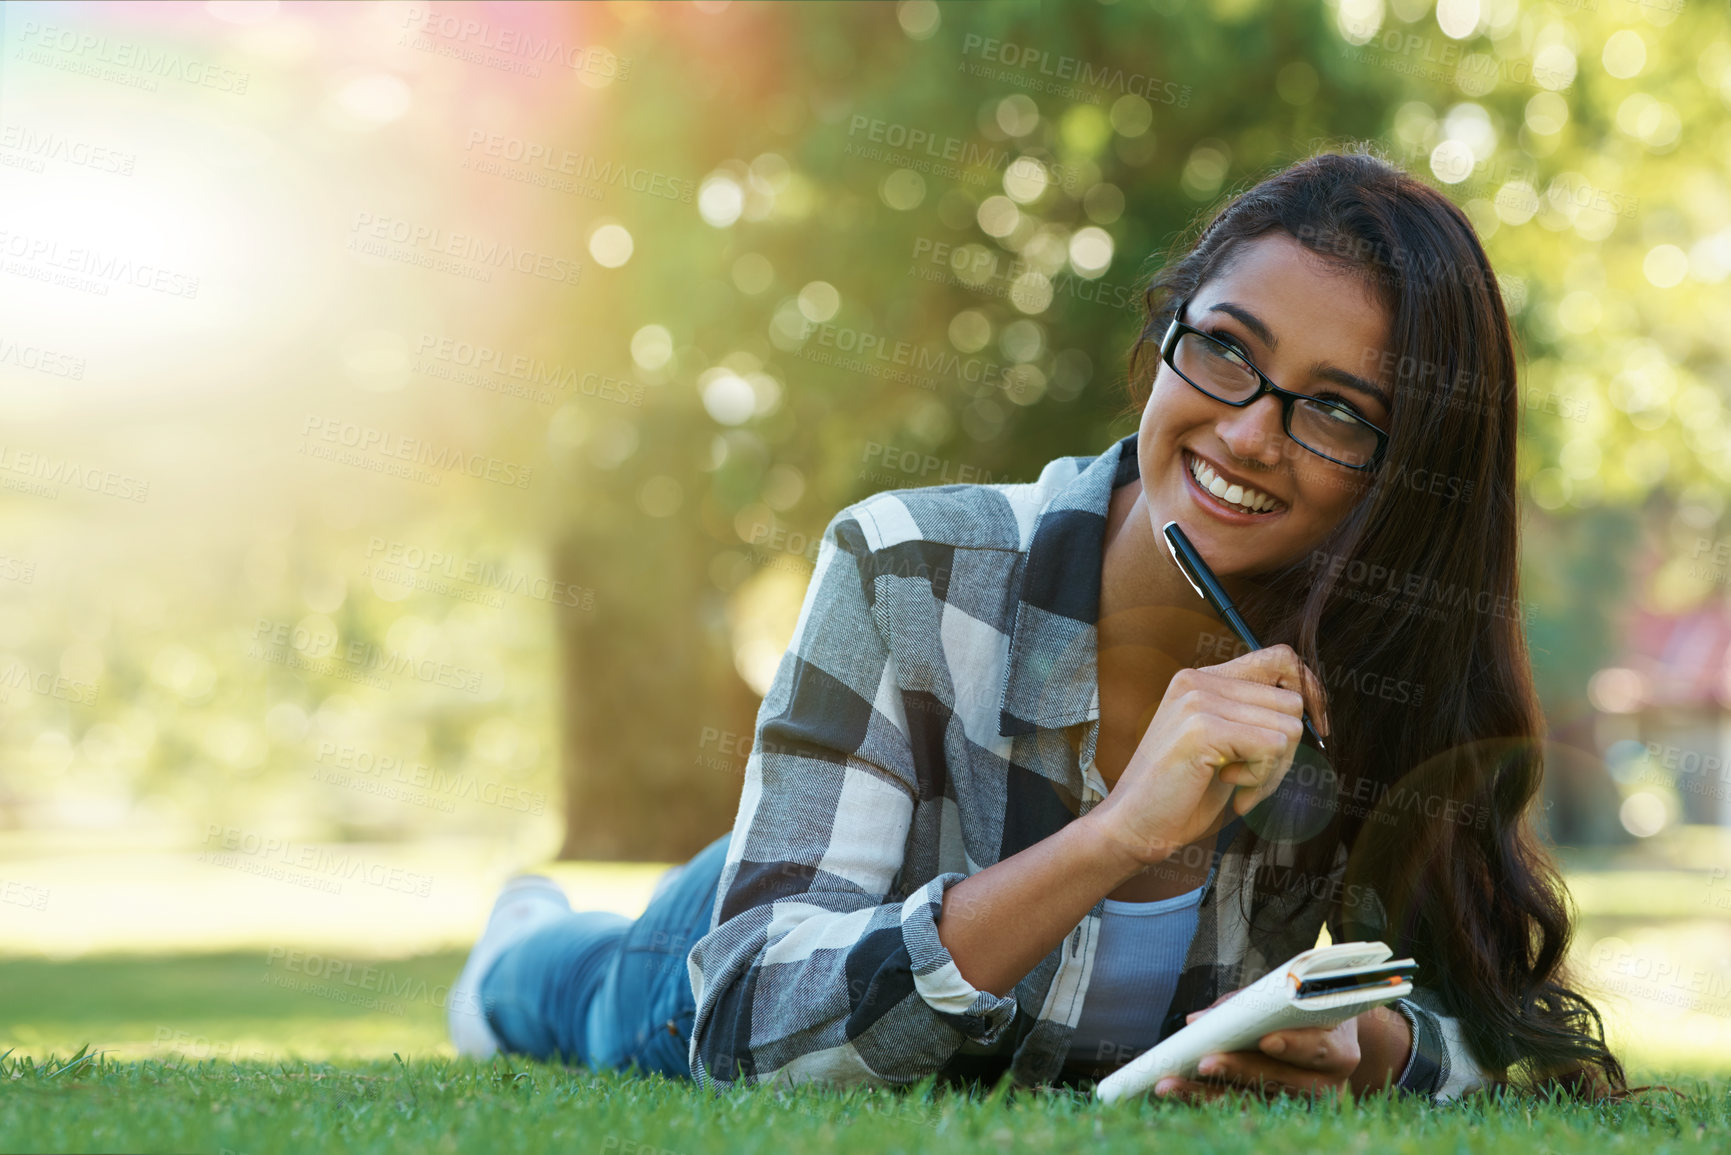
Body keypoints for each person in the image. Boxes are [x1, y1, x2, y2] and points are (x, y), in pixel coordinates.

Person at [447, 148, 1626, 1103]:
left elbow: (1501, 1037)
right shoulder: (910, 565)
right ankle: (517, 944)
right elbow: (753, 1024)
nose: (1251, 433)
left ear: (1402, 475)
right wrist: (1117, 835)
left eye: (1334, 411)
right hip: (758, 928)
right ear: (1165, 340)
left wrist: (1363, 1047)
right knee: (577, 995)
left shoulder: (1379, 665)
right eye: (1226, 351)